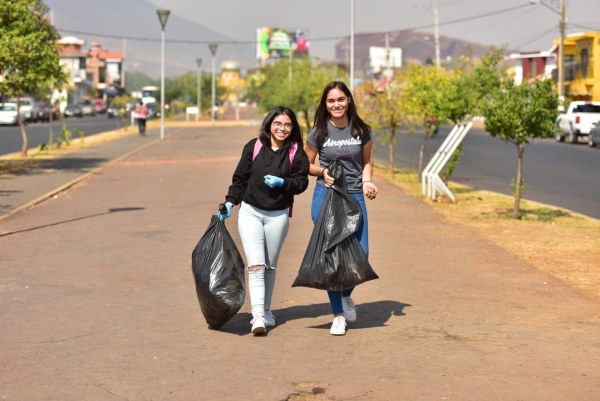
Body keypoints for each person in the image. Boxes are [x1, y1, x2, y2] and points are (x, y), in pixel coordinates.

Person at [219, 106, 309, 335]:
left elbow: (301, 182)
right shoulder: (254, 146)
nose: (282, 128)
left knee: (269, 266)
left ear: (293, 128)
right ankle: (257, 315)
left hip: (278, 215)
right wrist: (230, 202)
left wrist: (283, 183)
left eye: (288, 124)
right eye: (277, 123)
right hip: (250, 212)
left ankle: (267, 310)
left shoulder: (295, 152)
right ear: (269, 124)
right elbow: (240, 179)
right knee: (256, 265)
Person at [305, 81, 378, 336]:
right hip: (326, 196)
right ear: (325, 104)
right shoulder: (318, 132)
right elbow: (307, 165)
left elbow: (366, 162)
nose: (336, 104)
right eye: (330, 101)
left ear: (348, 100)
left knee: (362, 253)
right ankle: (337, 316)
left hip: (355, 195)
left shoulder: (361, 130)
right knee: (333, 257)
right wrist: (323, 171)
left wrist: (367, 181)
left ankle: (345, 295)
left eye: (340, 99)